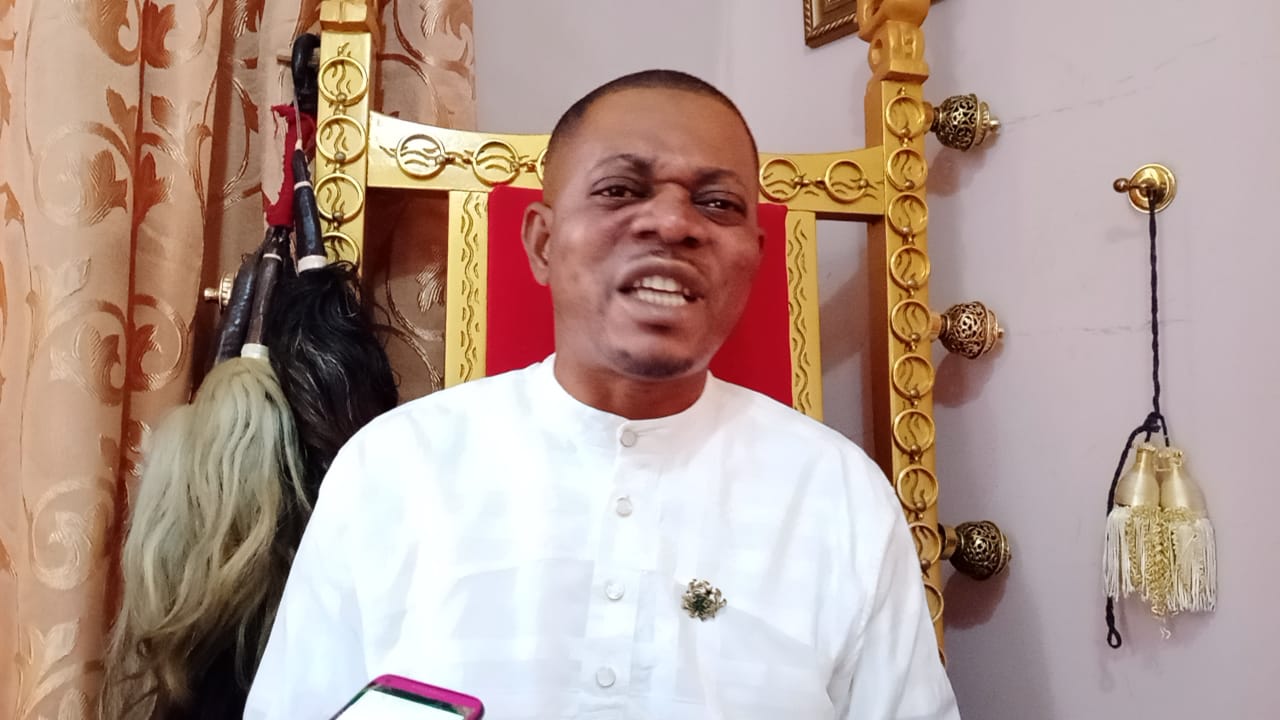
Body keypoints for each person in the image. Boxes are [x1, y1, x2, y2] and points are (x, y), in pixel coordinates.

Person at [244, 69, 960, 720]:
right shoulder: (395, 468)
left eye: (717, 203)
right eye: (620, 190)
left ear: (754, 259)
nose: (673, 224)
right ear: (542, 242)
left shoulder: (838, 496)